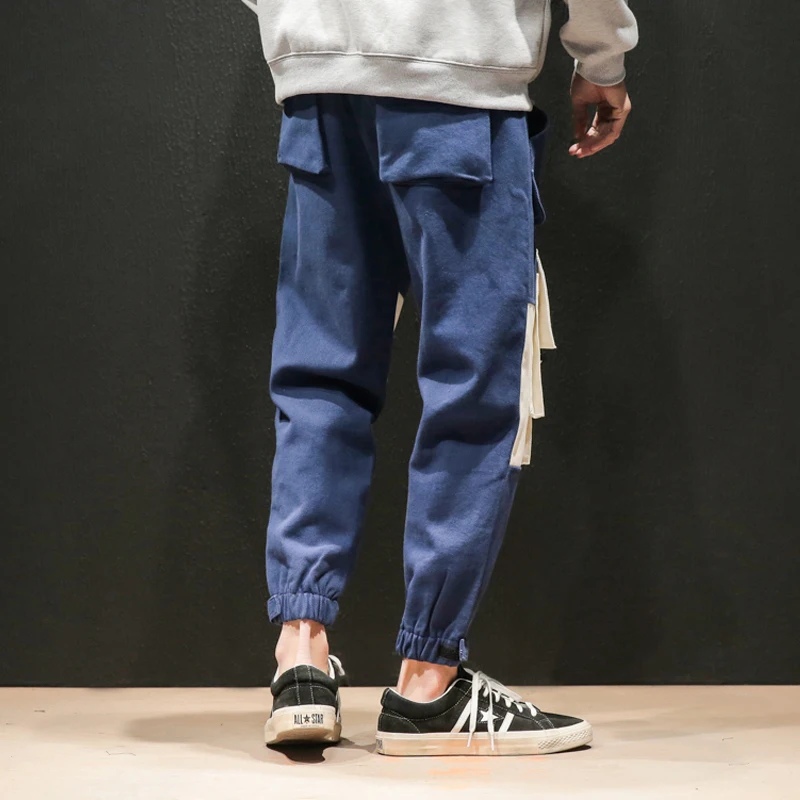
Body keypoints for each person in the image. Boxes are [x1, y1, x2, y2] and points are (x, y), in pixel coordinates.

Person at [241, 0, 638, 756]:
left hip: (321, 82)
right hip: (457, 67)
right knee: (474, 386)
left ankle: (301, 657)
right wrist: (601, 55)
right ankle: (428, 682)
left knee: (320, 374)